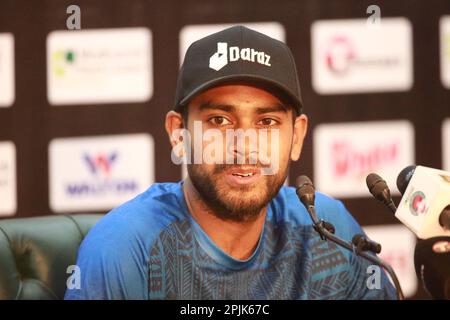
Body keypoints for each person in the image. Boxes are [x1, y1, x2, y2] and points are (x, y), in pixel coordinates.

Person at [65, 25, 397, 300]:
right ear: (178, 134)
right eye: (220, 121)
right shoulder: (125, 249)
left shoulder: (327, 228)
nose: (244, 145)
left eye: (267, 123)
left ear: (296, 137)